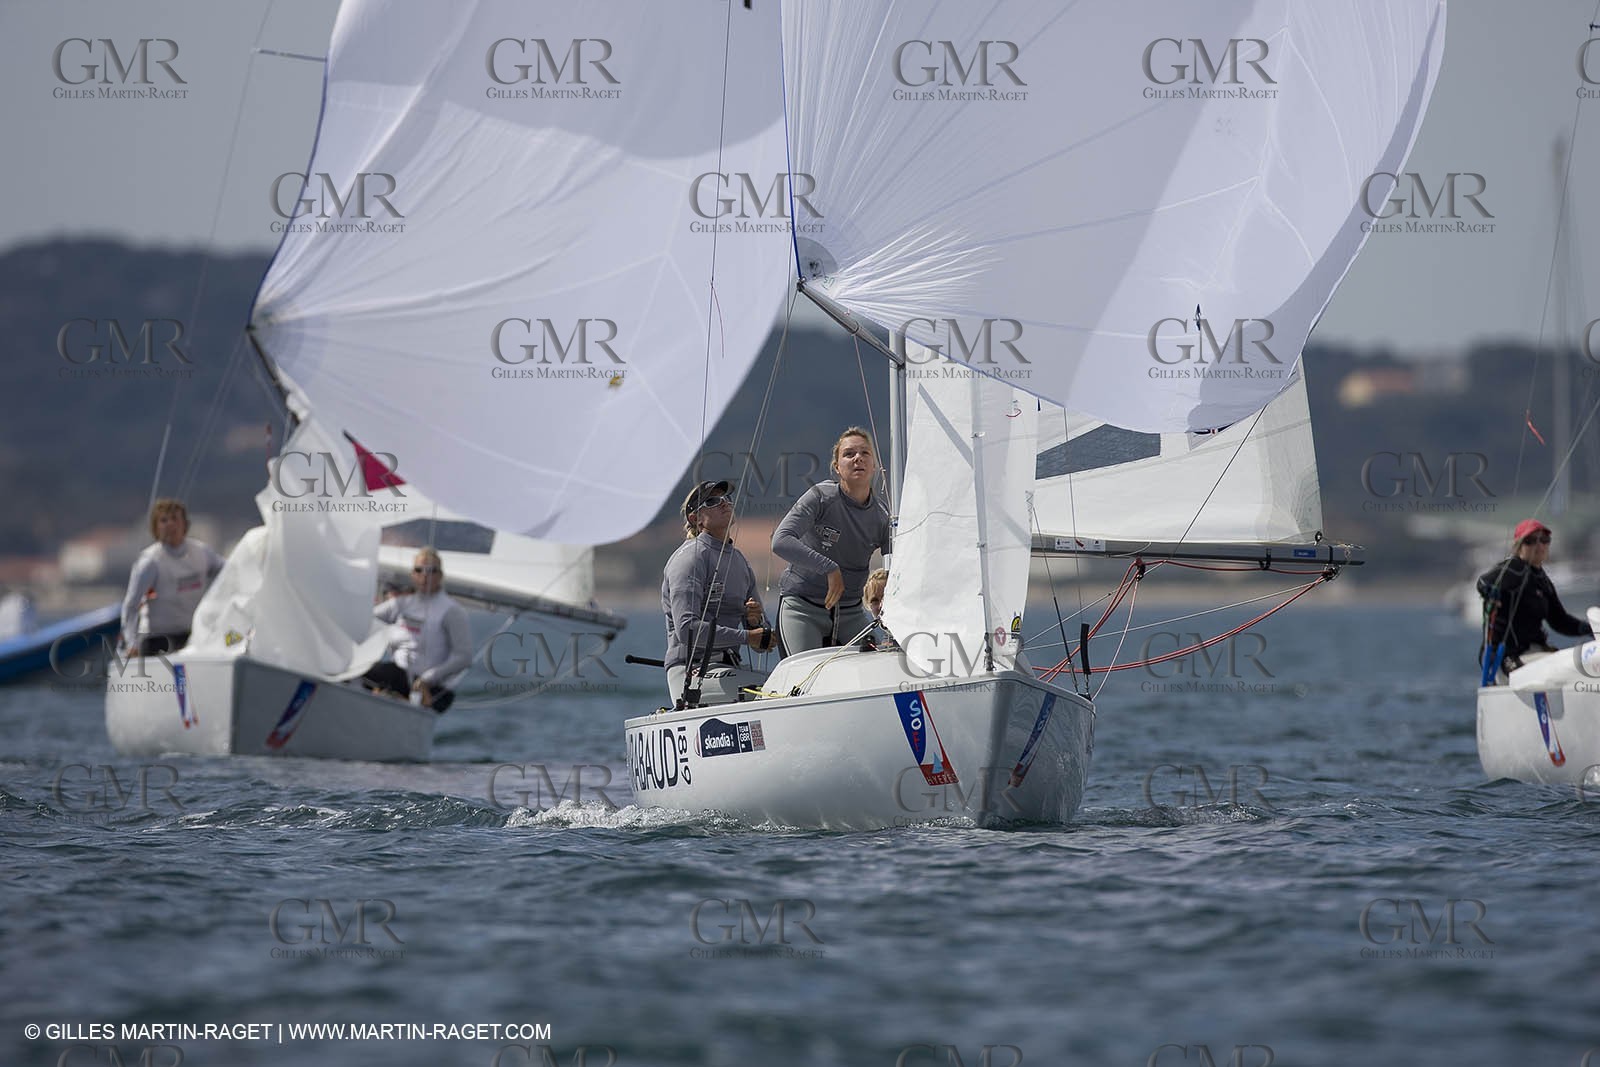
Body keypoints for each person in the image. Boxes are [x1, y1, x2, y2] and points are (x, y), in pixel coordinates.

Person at [772, 427, 893, 654]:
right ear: (837, 467)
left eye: (865, 453)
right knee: (804, 680)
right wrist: (829, 568)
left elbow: (899, 565)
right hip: (803, 609)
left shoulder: (882, 516)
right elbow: (780, 541)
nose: (858, 457)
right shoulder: (821, 497)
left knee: (885, 659)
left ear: (874, 466)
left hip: (852, 613)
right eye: (849, 454)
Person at [662, 480, 774, 707]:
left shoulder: (740, 562)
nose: (724, 503)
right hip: (691, 672)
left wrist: (755, 623)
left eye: (726, 499)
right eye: (713, 501)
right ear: (696, 519)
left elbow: (764, 644)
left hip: (730, 668)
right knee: (775, 689)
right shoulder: (690, 559)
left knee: (794, 684)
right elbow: (687, 630)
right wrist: (746, 636)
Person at [1477, 518, 1590, 678]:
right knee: (1571, 671)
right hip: (1507, 658)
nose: (1539, 545)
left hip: (1534, 651)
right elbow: (1483, 582)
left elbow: (1560, 621)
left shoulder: (1541, 579)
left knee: (1584, 667)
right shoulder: (1514, 568)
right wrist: (1489, 591)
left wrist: (1590, 628)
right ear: (1519, 546)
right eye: (1530, 541)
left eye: (1544, 540)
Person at [363, 548, 471, 712]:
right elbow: (364, 619)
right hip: (397, 677)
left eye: (432, 570)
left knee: (380, 674)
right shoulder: (402, 604)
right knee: (358, 671)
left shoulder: (451, 611)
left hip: (432, 688)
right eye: (419, 570)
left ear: (440, 576)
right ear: (413, 574)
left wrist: (427, 679)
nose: (425, 575)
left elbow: (463, 656)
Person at [120, 498, 225, 656]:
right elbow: (131, 606)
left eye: (175, 519)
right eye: (163, 520)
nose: (170, 525)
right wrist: (131, 643)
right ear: (156, 528)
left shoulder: (202, 553)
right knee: (179, 675)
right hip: (159, 640)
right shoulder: (150, 563)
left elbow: (230, 571)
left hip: (194, 635)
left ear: (185, 524)